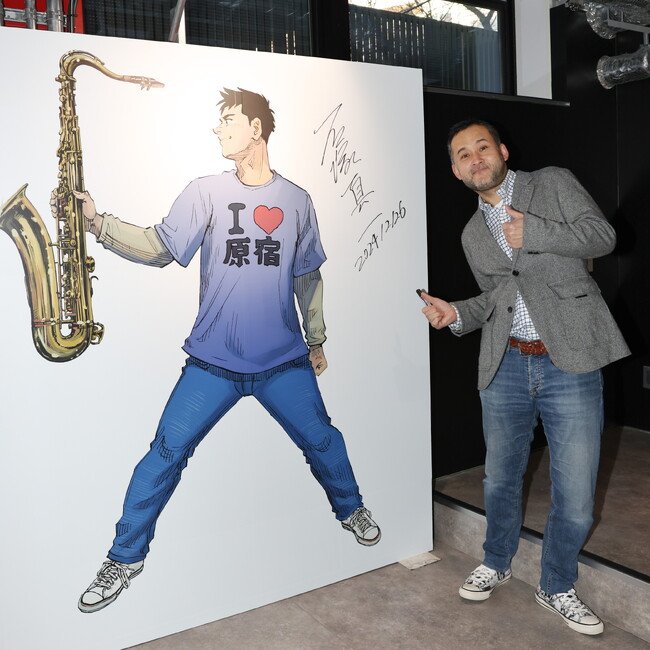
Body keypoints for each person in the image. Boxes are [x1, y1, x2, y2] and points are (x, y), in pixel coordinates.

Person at [75, 87, 381, 614]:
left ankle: (351, 508)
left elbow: (308, 275)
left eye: (229, 120)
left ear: (256, 129)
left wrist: (317, 339)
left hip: (283, 361)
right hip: (212, 362)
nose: (219, 129)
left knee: (323, 440)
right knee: (164, 454)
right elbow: (159, 247)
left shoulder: (297, 200)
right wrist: (98, 224)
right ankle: (124, 559)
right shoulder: (205, 192)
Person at [421, 119, 629, 636]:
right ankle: (497, 560)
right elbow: (499, 297)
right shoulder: (472, 233)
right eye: (463, 155)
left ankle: (556, 584)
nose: (475, 159)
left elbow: (603, 237)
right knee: (499, 479)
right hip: (506, 363)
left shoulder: (551, 183)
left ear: (502, 151)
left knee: (575, 493)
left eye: (482, 147)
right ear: (456, 171)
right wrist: (457, 314)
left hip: (569, 360)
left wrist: (535, 231)